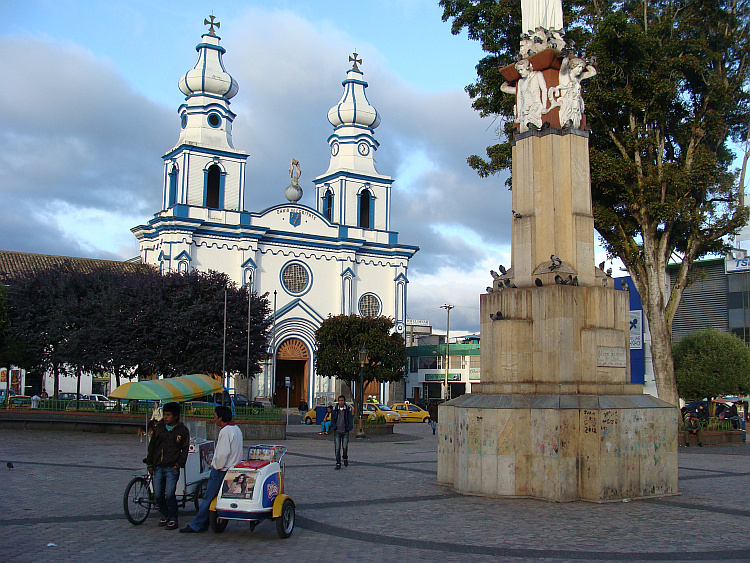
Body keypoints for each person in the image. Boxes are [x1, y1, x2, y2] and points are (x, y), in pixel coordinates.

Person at [181, 405, 243, 533]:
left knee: (208, 497)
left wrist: (217, 466)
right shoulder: (236, 429)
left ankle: (197, 524)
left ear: (220, 418)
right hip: (233, 468)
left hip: (222, 470)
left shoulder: (225, 431)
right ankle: (205, 522)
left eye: (215, 416)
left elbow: (222, 454)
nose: (214, 419)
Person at [144, 402, 190, 530]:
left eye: (168, 415)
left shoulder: (182, 430)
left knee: (170, 494)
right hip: (158, 466)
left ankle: (173, 518)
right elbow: (152, 446)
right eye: (164, 414)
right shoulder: (159, 428)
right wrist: (150, 463)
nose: (165, 417)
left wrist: (178, 464)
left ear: (175, 416)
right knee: (158, 495)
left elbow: (185, 449)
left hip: (172, 468)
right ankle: (165, 514)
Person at [331, 395, 353, 470]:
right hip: (337, 431)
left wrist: (349, 428)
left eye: (342, 400)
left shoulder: (347, 409)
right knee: (337, 448)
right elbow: (332, 419)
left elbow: (350, 419)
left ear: (344, 401)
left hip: (345, 431)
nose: (341, 402)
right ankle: (338, 463)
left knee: (344, 447)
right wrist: (334, 427)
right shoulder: (335, 409)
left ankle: (345, 457)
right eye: (339, 400)